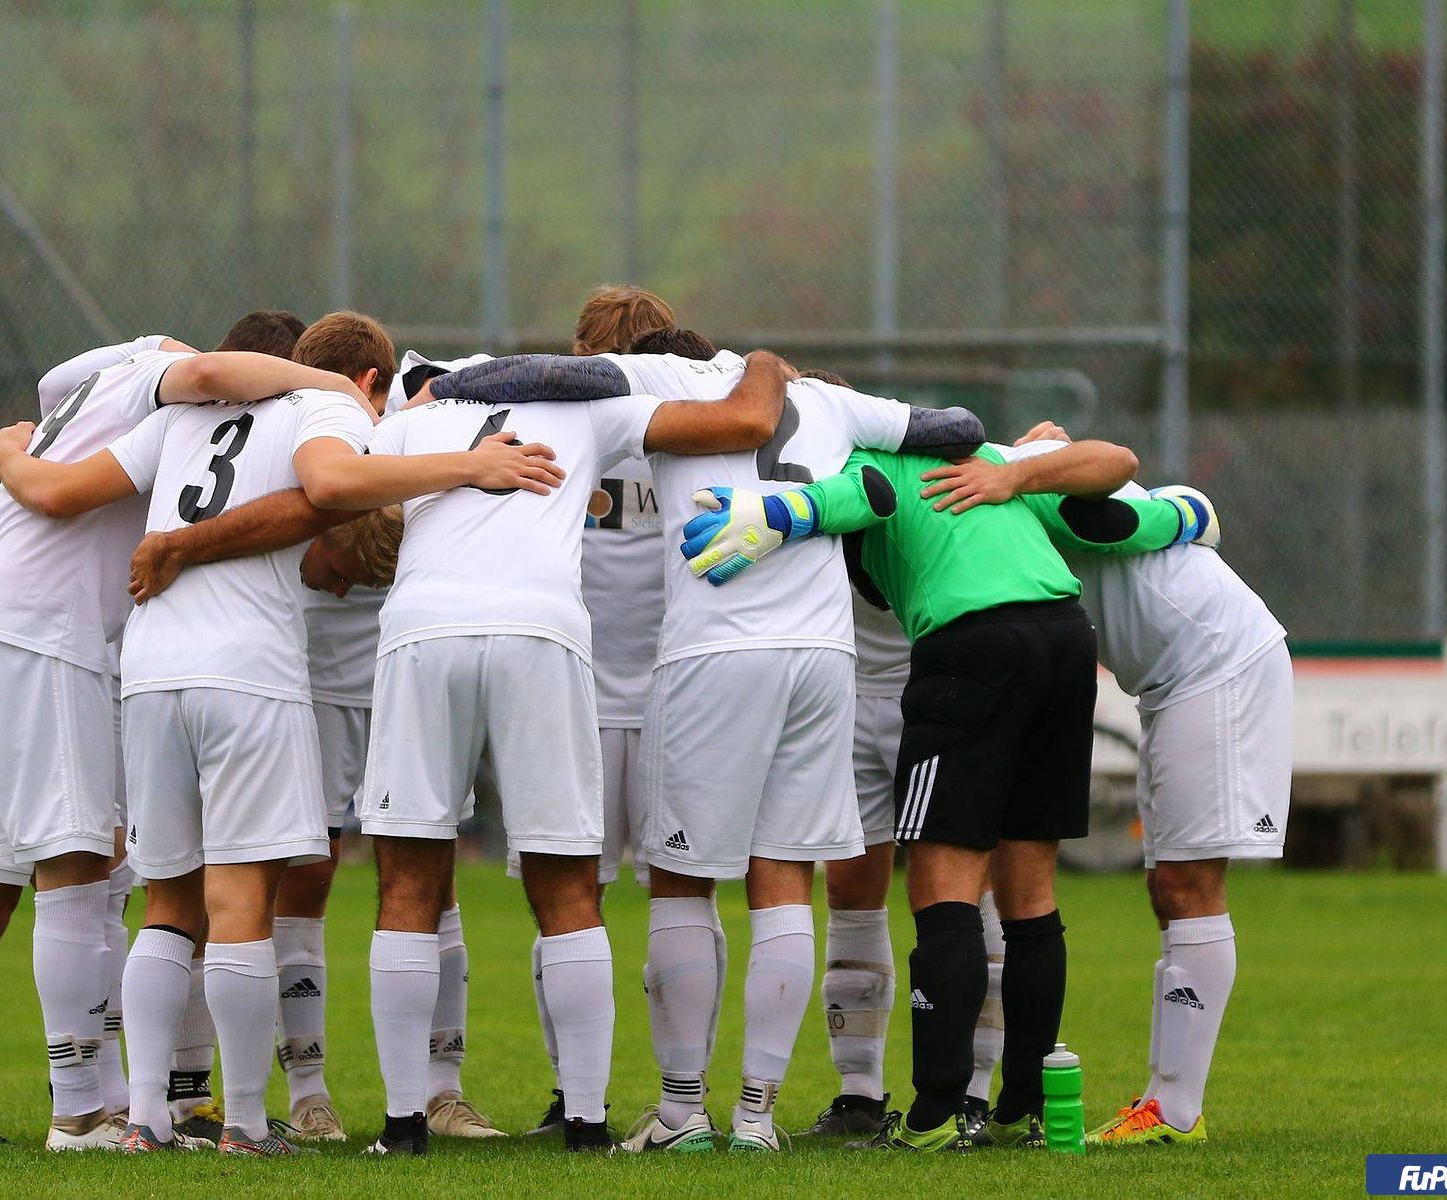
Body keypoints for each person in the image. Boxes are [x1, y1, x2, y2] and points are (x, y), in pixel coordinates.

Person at [0, 337, 559, 1156]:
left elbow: (63, 489)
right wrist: (465, 466)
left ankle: (144, 1118)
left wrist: (11, 450)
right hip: (246, 674)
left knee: (168, 906)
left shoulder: (177, 417)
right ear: (368, 378)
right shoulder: (325, 405)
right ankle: (249, 1124)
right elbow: (329, 486)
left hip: (150, 671)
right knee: (242, 903)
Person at [426, 350, 984, 1153]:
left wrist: (444, 385)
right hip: (825, 654)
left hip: (717, 651)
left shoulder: (658, 378)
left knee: (683, 880)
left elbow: (550, 375)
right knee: (785, 877)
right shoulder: (827, 396)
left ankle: (683, 1112)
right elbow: (956, 429)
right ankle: (758, 1118)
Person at [679, 436, 1199, 1151]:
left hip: (970, 648)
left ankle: (936, 1115)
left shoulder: (870, 460)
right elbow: (1121, 483)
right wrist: (1188, 515)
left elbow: (855, 498)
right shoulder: (986, 461)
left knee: (942, 887)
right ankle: (1027, 1107)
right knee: (1031, 893)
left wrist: (773, 508)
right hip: (1066, 643)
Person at [357, 350, 796, 1156]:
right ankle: (587, 1125)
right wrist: (766, 365)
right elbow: (747, 420)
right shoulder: (588, 410)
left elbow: (330, 495)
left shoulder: (413, 422)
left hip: (422, 629)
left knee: (408, 879)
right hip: (541, 629)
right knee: (565, 880)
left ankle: (402, 1125)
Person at [0, 313, 354, 1150]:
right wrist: (332, 387)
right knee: (88, 871)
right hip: (58, 635)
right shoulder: (177, 381)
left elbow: (56, 391)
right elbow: (202, 390)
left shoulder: (111, 383)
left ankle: (14, 1111)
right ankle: (84, 1114)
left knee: (78, 885)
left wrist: (15, 449)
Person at [124, 325, 510, 1142]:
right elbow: (312, 497)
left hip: (408, 676)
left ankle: (441, 1089)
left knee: (427, 882)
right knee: (293, 885)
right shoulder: (299, 421)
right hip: (300, 683)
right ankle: (303, 1092)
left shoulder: (421, 410)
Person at [998, 424, 1288, 1148]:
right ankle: (1162, 1100)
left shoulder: (1023, 485)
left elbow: (1117, 509)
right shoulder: (1011, 480)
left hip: (1216, 664)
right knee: (1169, 889)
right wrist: (1187, 509)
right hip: (1172, 680)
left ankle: (1174, 1111)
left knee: (1189, 886)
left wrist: (1176, 509)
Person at [522, 300, 701, 1136]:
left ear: (583, 351)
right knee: (681, 900)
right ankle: (681, 1101)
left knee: (565, 901)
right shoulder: (701, 418)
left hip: (577, 694)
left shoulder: (558, 417)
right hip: (678, 691)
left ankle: (574, 1097)